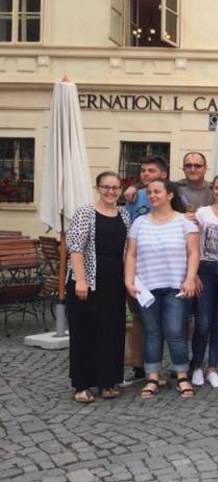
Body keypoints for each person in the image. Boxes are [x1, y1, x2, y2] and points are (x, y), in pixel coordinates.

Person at [124, 179, 199, 400]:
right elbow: (131, 254)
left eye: (157, 192)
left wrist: (190, 278)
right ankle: (153, 377)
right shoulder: (139, 223)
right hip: (146, 286)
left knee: (175, 331)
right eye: (149, 192)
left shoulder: (184, 222)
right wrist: (129, 280)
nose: (152, 195)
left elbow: (194, 252)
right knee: (152, 331)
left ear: (170, 195)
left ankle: (182, 375)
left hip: (176, 285)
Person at [66, 171, 131, 403]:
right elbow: (75, 248)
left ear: (120, 190)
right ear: (98, 188)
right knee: (84, 333)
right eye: (106, 187)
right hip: (87, 282)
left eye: (115, 188)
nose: (111, 192)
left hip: (114, 283)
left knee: (111, 332)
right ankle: (82, 385)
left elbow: (127, 250)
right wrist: (81, 280)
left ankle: (107, 382)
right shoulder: (85, 212)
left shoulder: (124, 215)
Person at [120, 155, 169, 386]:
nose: (145, 174)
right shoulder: (135, 195)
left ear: (163, 175)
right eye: (143, 171)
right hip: (138, 268)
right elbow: (127, 226)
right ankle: (139, 366)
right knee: (140, 318)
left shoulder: (172, 194)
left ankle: (166, 367)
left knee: (168, 322)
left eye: (151, 170)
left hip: (165, 270)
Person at [190, 174, 218, 388]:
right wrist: (194, 274)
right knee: (202, 323)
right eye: (217, 188)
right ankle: (197, 366)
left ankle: (213, 368)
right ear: (212, 190)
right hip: (205, 269)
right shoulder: (202, 213)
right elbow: (191, 244)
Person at [177, 152, 213, 219]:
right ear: (183, 169)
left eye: (197, 166)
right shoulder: (174, 189)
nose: (192, 170)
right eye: (188, 166)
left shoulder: (215, 190)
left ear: (205, 168)